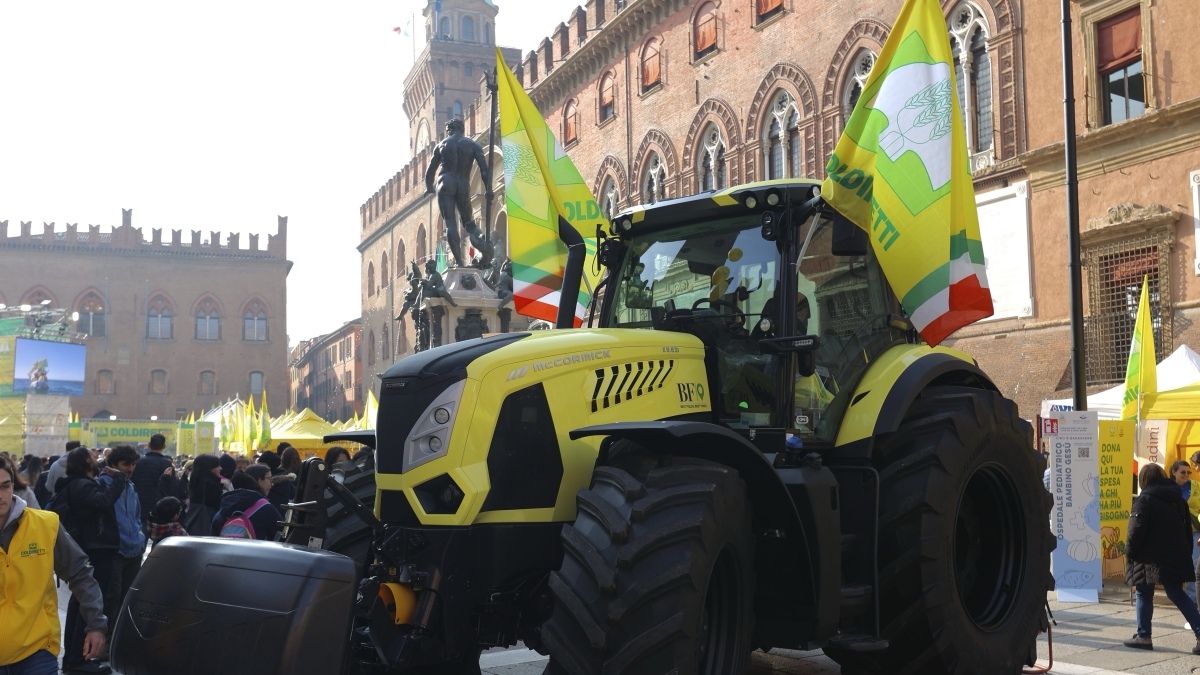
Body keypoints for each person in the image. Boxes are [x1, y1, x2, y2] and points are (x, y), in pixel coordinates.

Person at [0, 455, 109, 675]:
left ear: (13, 485)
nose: (0, 495)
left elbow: (80, 573)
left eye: (4, 486)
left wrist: (96, 624)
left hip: (37, 650)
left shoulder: (45, 525)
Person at [55, 446, 129, 674]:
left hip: (93, 547)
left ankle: (75, 657)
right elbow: (103, 502)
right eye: (93, 456)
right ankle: (77, 659)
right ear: (86, 461)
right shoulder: (81, 485)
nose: (97, 459)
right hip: (96, 549)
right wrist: (119, 480)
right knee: (87, 603)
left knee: (82, 604)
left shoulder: (77, 484)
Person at [1124, 462, 1200, 652]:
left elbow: (1135, 532)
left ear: (1144, 480)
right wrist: (1185, 553)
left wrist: (1130, 554)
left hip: (1147, 557)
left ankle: (1144, 636)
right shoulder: (1178, 499)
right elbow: (1186, 530)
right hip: (1174, 555)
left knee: (1143, 592)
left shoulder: (1144, 499)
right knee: (1177, 593)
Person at [97, 445, 145, 645]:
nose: (131, 468)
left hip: (134, 551)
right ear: (113, 464)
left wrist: (140, 538)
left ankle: (119, 641)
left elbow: (136, 516)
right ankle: (106, 643)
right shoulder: (103, 485)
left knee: (127, 599)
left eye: (133, 464)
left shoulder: (131, 487)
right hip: (114, 552)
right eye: (126, 464)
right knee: (111, 600)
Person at [212, 465, 283, 541]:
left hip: (226, 552)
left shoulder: (224, 508)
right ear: (259, 481)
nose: (272, 484)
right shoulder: (266, 509)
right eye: (270, 479)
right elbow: (282, 537)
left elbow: (213, 540)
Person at [129, 434, 172, 526]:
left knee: (141, 536)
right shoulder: (166, 464)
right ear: (164, 446)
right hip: (160, 508)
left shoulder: (138, 463)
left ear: (149, 444)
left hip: (140, 506)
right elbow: (172, 488)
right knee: (161, 539)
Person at [181, 454, 225, 536]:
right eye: (217, 466)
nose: (220, 468)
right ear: (209, 468)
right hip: (207, 528)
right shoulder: (213, 487)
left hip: (192, 527)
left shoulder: (194, 484)